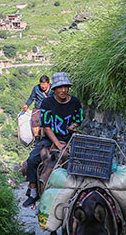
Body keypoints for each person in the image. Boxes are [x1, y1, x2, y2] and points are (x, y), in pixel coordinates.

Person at [23, 72, 83, 207]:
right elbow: (46, 126)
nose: (63, 90)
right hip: (50, 140)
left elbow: (79, 119)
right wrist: (58, 144)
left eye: (66, 87)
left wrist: (73, 125)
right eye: (60, 87)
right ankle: (33, 192)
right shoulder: (47, 103)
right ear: (54, 89)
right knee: (33, 159)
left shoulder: (75, 102)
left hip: (70, 139)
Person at [21, 75, 52, 140]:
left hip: (50, 109)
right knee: (34, 120)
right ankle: (36, 137)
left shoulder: (53, 89)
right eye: (41, 84)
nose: (43, 86)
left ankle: (48, 136)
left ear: (48, 84)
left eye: (44, 85)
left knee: (47, 122)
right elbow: (31, 98)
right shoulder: (36, 88)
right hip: (38, 108)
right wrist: (26, 105)